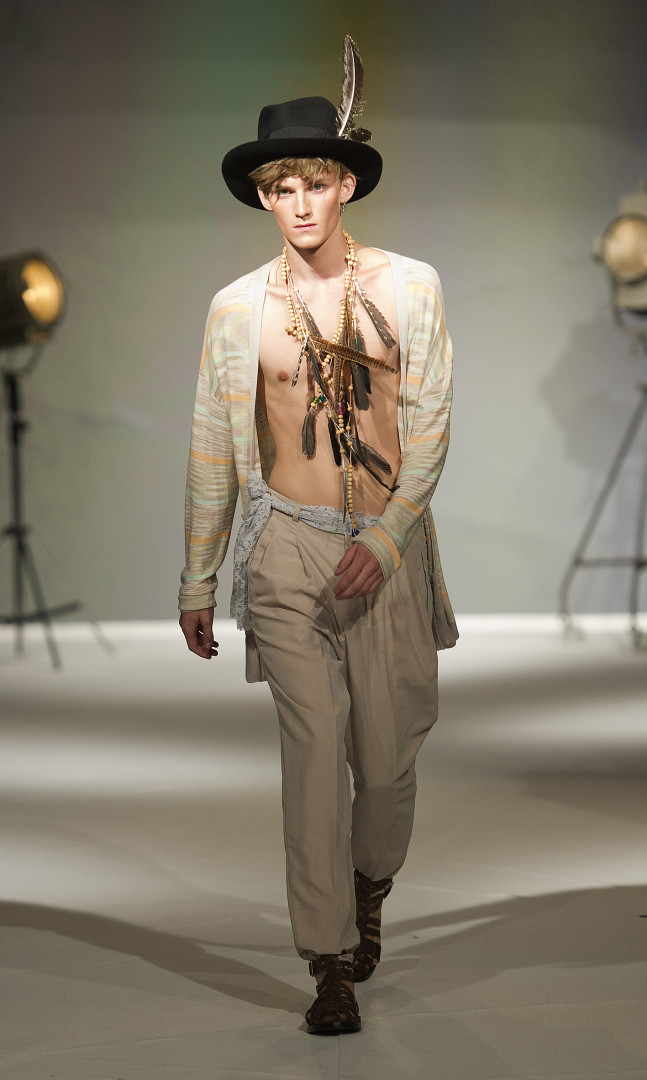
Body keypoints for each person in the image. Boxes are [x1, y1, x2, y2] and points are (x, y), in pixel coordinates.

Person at [179, 37, 457, 1036]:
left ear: (346, 184)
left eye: (313, 183)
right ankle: (327, 958)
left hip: (385, 546)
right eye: (279, 188)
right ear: (262, 197)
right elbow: (213, 443)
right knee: (311, 755)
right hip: (285, 546)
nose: (298, 204)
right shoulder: (235, 310)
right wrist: (197, 575)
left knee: (384, 765)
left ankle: (368, 884)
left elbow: (429, 426)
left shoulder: (409, 286)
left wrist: (386, 540)